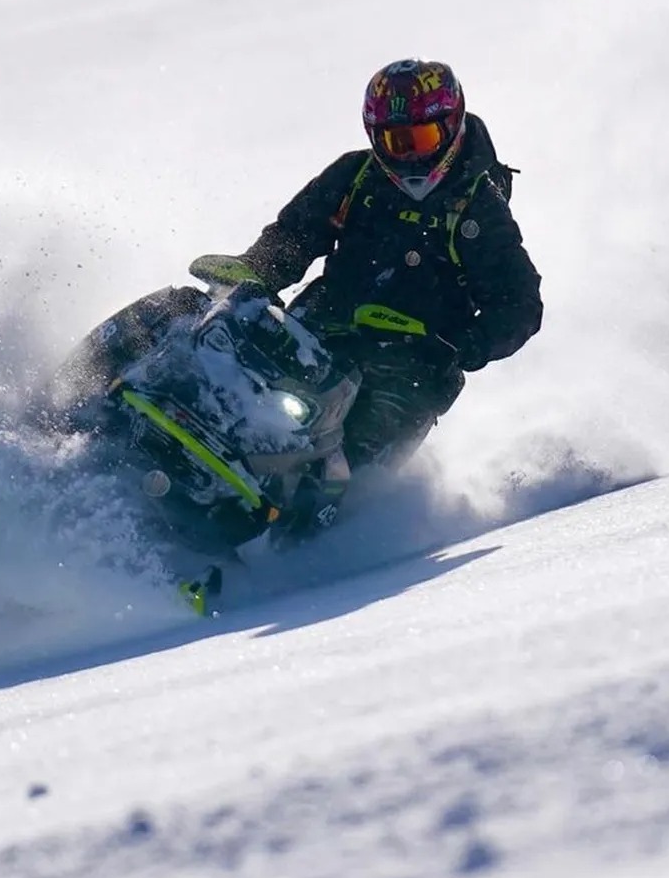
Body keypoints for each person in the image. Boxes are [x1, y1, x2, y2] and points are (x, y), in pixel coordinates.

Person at [199, 58, 543, 537]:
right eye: (393, 142)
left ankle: (295, 551)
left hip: (413, 368)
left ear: (451, 126)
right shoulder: (355, 177)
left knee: (348, 463)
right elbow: (293, 237)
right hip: (321, 329)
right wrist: (253, 273)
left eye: (419, 140)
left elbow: (520, 302)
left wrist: (465, 344)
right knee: (214, 348)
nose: (407, 155)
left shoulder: (477, 208)